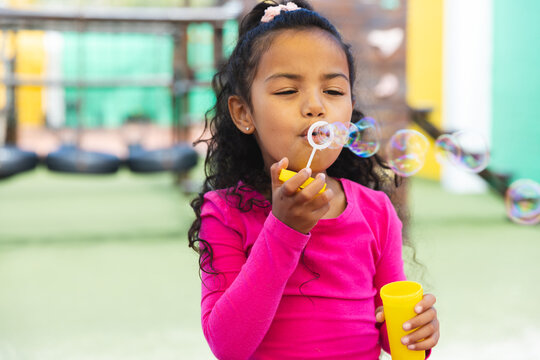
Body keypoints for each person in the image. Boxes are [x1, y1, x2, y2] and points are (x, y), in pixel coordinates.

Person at [188, 1, 440, 359]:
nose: (315, 106)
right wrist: (284, 229)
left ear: (351, 109)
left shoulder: (377, 211)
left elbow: (392, 333)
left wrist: (417, 331)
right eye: (288, 91)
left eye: (334, 91)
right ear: (244, 113)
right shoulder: (225, 213)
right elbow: (228, 345)